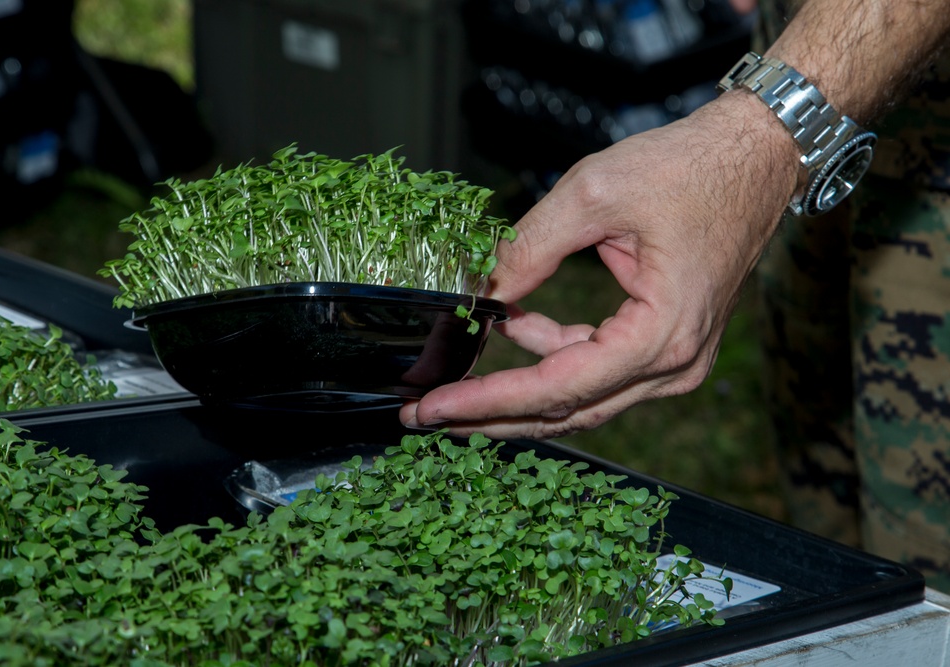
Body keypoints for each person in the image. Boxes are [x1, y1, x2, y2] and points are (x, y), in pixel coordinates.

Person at [400, 0, 950, 591]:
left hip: (917, 172)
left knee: (924, 562)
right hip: (814, 116)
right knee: (828, 516)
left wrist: (758, 138)